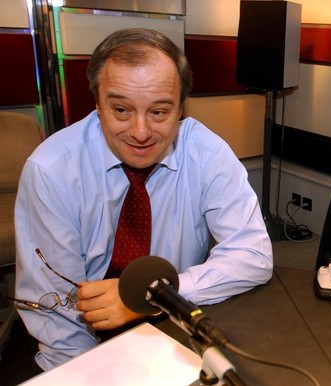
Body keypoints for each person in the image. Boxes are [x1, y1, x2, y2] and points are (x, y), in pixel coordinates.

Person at [14, 28, 273, 371]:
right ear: (97, 102)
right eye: (121, 110)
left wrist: (157, 296)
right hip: (87, 344)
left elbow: (253, 254)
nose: (140, 132)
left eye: (159, 112)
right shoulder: (52, 170)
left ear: (181, 107)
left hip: (176, 326)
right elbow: (59, 319)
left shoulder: (206, 153)